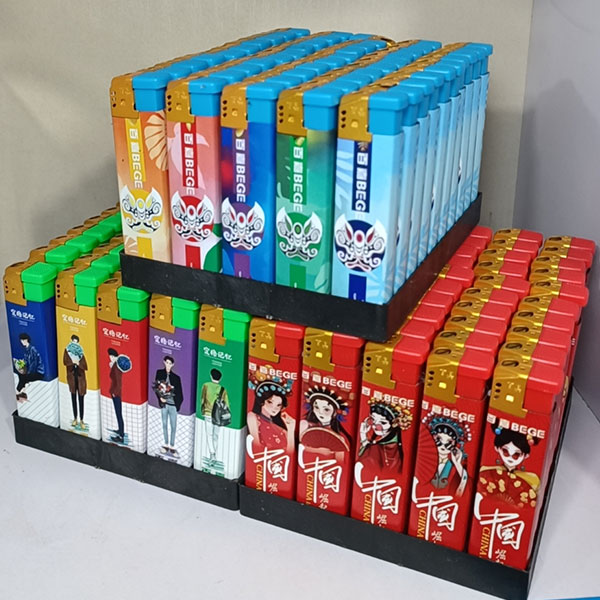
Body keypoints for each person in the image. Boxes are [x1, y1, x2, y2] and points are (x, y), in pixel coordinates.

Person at [479, 420, 540, 509]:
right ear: (497, 449)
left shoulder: (533, 479)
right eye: (505, 451)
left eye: (516, 454)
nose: (510, 457)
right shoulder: (485, 471)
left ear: (526, 456)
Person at [357, 399, 412, 473]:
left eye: (383, 422)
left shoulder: (377, 448)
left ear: (394, 424)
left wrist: (363, 437)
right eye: (373, 419)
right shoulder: (388, 445)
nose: (376, 425)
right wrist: (363, 435)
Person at [299, 386, 351, 461]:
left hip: (327, 466)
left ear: (335, 413)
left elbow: (340, 462)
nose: (320, 413)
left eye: (326, 409)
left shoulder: (340, 437)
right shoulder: (306, 425)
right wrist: (318, 451)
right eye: (316, 407)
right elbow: (297, 447)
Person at [423, 414, 470, 497]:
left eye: (449, 442)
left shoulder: (456, 466)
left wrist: (458, 465)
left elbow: (464, 493)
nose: (443, 445)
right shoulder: (424, 460)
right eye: (438, 439)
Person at [247, 380, 295, 454]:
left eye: (278, 405)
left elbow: (290, 454)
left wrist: (291, 430)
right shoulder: (253, 417)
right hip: (261, 459)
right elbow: (256, 447)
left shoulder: (283, 431)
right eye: (270, 402)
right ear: (262, 401)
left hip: (281, 460)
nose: (274, 408)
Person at [152, 355, 183, 456]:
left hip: (173, 405)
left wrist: (177, 406)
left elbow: (180, 393)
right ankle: (166, 444)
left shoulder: (176, 378)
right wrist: (160, 398)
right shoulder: (159, 373)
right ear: (164, 362)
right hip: (164, 404)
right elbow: (156, 387)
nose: (168, 365)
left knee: (173, 426)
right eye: (167, 363)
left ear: (172, 365)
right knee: (164, 424)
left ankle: (172, 446)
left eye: (170, 363)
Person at [199, 369, 229, 467]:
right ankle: (213, 455)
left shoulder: (206, 385)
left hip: (208, 413)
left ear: (211, 376)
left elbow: (202, 399)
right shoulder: (223, 389)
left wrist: (202, 410)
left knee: (209, 435)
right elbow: (226, 404)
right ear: (220, 378)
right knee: (216, 435)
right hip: (218, 415)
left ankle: (212, 454)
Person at [63, 334, 88, 430]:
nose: (75, 344)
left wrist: (78, 363)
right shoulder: (67, 351)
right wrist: (72, 362)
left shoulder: (80, 353)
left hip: (80, 379)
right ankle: (75, 418)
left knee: (81, 399)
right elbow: (65, 361)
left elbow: (85, 366)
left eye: (76, 342)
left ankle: (81, 420)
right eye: (73, 342)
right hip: (72, 378)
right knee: (73, 398)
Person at [14, 333, 44, 402]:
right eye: (21, 340)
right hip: (31, 370)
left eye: (22, 340)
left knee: (24, 377)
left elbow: (34, 364)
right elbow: (26, 361)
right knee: (20, 374)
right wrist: (19, 363)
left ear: (26, 340)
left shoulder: (32, 350)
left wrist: (27, 373)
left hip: (38, 372)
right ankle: (22, 392)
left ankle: (17, 392)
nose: (21, 342)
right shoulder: (27, 350)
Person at [108, 348, 125, 444]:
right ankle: (120, 430)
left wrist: (115, 392)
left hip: (116, 393)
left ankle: (121, 436)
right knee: (118, 413)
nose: (110, 358)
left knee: (119, 413)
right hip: (115, 392)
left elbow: (118, 382)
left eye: (111, 356)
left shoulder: (117, 366)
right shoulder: (115, 365)